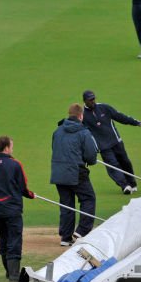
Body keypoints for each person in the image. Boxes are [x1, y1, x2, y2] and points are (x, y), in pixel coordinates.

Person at [0, 135, 35, 282]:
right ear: (6, 148)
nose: (12, 148)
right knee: (14, 240)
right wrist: (31, 195)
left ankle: (8, 271)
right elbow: (23, 187)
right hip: (13, 210)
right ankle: (14, 275)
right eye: (11, 146)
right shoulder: (16, 164)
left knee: (3, 238)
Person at [51, 103, 98, 246]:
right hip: (76, 171)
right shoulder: (84, 132)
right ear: (81, 116)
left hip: (59, 172)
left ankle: (65, 237)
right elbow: (91, 156)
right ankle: (82, 231)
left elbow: (54, 148)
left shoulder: (57, 131)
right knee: (88, 198)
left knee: (67, 204)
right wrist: (89, 160)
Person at [82, 89, 141, 194]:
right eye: (90, 100)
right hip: (103, 146)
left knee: (125, 162)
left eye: (93, 99)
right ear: (85, 101)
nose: (92, 101)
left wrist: (134, 122)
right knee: (113, 166)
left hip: (116, 141)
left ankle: (132, 183)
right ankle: (125, 186)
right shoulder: (82, 115)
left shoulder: (104, 107)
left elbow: (119, 116)